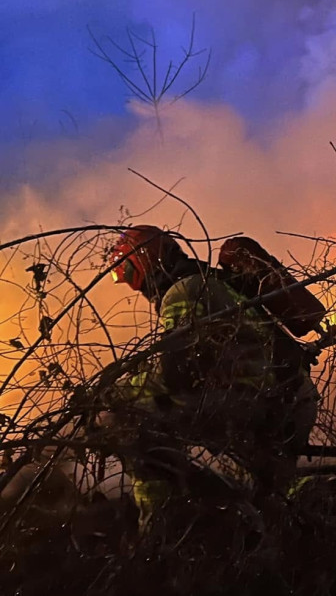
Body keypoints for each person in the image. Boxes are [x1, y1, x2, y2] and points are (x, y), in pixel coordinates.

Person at [103, 225, 318, 533]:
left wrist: (117, 393)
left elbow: (174, 374)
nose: (137, 290)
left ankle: (161, 527)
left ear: (142, 265)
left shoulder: (183, 292)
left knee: (124, 423)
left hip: (256, 405)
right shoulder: (211, 282)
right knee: (273, 505)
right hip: (291, 399)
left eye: (128, 275)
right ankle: (303, 515)